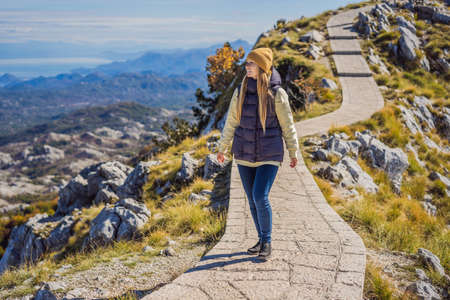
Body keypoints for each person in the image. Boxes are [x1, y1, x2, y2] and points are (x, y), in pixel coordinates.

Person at [216, 47, 300, 260]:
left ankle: (268, 242)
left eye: (251, 64)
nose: (247, 67)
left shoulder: (277, 93)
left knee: (259, 196)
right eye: (246, 64)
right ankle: (261, 240)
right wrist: (222, 148)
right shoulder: (241, 90)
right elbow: (232, 121)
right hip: (244, 153)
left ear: (262, 67)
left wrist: (293, 151)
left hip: (269, 153)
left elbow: (287, 124)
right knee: (252, 200)